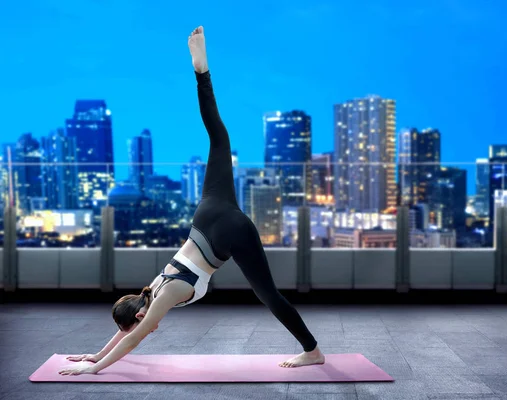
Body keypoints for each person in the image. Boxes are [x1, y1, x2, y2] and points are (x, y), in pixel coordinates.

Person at [59, 25, 325, 376]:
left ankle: (314, 352)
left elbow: (132, 339)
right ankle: (202, 72)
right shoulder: (150, 289)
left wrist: (94, 369)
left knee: (269, 295)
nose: (144, 326)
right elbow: (127, 329)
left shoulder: (163, 296)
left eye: (139, 322)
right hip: (208, 214)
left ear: (139, 313)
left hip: (228, 234)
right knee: (218, 139)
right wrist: (93, 355)